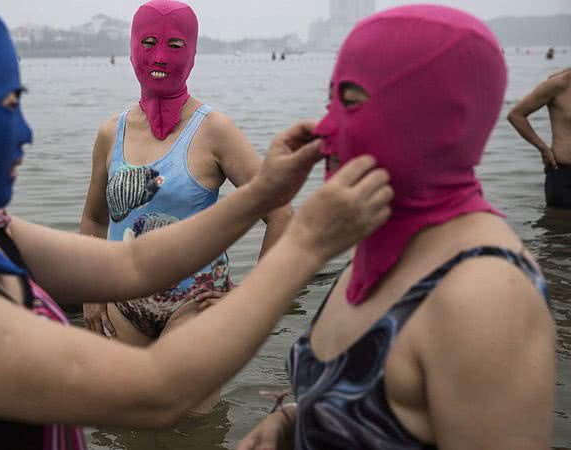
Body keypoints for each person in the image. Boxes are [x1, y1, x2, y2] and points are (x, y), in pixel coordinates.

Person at [0, 1, 392, 448]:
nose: (25, 132)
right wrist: (309, 242)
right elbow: (157, 391)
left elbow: (132, 264)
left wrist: (266, 191)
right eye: (7, 106)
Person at [238, 5, 555, 450]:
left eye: (350, 102)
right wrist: (294, 420)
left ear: (440, 120)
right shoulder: (373, 246)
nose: (325, 128)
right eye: (330, 100)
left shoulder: (484, 294)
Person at [79, 0, 292, 413]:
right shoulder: (112, 132)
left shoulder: (215, 130)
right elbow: (93, 217)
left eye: (175, 44)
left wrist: (250, 297)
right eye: (148, 43)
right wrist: (92, 292)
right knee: (129, 420)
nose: (159, 56)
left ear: (192, 53)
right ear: (132, 49)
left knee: (193, 427)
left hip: (194, 306)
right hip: (124, 302)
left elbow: (281, 214)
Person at [508, 67, 571, 208]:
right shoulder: (559, 83)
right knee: (559, 227)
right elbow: (516, 115)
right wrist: (543, 148)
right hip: (564, 176)